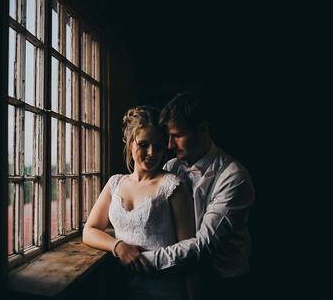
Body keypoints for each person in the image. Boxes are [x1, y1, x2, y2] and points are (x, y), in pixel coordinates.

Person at [141, 92, 255, 300]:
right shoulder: (171, 167)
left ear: (203, 128)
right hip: (181, 280)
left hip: (225, 285)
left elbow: (204, 245)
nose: (169, 146)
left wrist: (143, 261)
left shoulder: (234, 177)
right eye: (168, 136)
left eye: (177, 135)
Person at [83, 105, 197, 300]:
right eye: (144, 144)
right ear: (129, 142)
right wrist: (118, 246)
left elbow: (189, 253)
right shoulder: (115, 183)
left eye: (159, 147)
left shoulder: (173, 186)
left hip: (164, 290)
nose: (152, 153)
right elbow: (89, 230)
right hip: (122, 290)